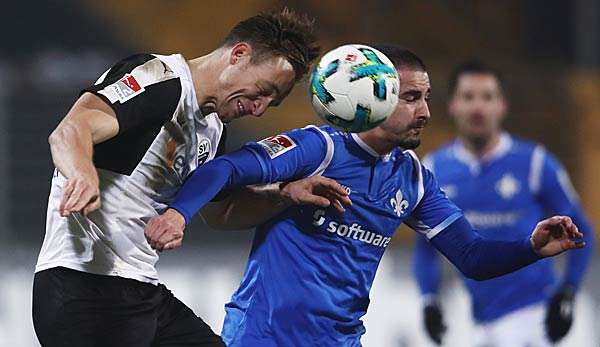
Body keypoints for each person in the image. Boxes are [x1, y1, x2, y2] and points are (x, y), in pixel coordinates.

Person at [145, 45, 585, 347]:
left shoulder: (413, 179)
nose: (426, 113)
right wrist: (180, 214)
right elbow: (225, 167)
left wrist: (531, 248)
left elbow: (472, 256)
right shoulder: (319, 149)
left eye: (427, 98)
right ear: (375, 96)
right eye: (411, 98)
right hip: (264, 336)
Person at [33, 8, 321, 347]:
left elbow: (220, 214)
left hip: (139, 290)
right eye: (262, 90)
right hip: (82, 288)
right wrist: (82, 174)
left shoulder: (212, 128)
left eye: (270, 103)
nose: (258, 108)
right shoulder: (160, 80)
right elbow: (70, 131)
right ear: (239, 54)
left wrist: (284, 194)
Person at [412, 61, 594, 346]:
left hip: (533, 314)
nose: (478, 107)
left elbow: (582, 231)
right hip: (478, 320)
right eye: (468, 97)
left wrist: (568, 291)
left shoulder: (534, 163)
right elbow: (425, 246)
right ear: (452, 106)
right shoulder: (435, 168)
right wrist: (428, 299)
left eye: (487, 97)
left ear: (502, 106)